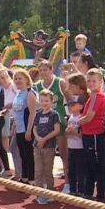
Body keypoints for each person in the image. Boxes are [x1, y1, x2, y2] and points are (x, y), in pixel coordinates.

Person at [34, 60, 71, 190]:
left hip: (59, 122)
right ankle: (45, 182)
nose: (43, 72)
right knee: (45, 155)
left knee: (63, 153)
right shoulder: (37, 86)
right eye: (41, 70)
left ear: (51, 70)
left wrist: (69, 117)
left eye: (45, 70)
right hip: (44, 126)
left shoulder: (59, 83)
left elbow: (70, 99)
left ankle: (67, 182)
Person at [80, 68, 105, 202]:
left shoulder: (97, 97)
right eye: (89, 81)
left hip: (95, 134)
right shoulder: (92, 97)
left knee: (97, 164)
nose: (91, 83)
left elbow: (89, 117)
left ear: (100, 82)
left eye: (94, 81)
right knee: (88, 164)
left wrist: (75, 122)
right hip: (88, 134)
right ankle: (88, 191)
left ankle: (100, 194)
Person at [32, 89, 62, 204]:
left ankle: (50, 192)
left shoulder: (54, 115)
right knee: (38, 170)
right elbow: (34, 127)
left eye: (47, 101)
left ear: (51, 101)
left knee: (47, 170)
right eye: (42, 101)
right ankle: (39, 193)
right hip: (37, 145)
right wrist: (38, 138)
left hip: (49, 146)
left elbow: (57, 130)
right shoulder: (38, 114)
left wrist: (44, 139)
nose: (44, 103)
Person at [12, 69, 37, 184]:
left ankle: (31, 179)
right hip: (19, 128)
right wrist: (14, 128)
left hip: (26, 128)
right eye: (16, 79)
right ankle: (24, 176)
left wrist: (28, 130)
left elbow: (32, 113)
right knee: (22, 153)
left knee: (28, 154)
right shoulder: (18, 93)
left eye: (20, 78)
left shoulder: (29, 93)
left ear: (27, 79)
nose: (17, 81)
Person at [65, 95, 86, 196]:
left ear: (81, 106)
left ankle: (81, 190)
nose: (70, 107)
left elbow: (82, 134)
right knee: (71, 170)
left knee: (80, 171)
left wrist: (73, 132)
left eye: (72, 105)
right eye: (69, 105)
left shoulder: (81, 118)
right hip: (71, 147)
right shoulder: (70, 117)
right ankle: (72, 189)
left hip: (80, 148)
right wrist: (67, 131)